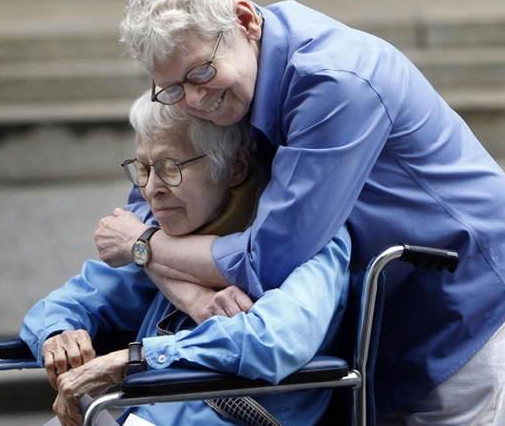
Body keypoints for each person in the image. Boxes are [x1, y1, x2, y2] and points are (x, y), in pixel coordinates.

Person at [94, 0, 505, 425]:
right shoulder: (222, 61)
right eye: (171, 88)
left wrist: (143, 249)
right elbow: (157, 219)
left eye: (199, 75)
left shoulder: (334, 81)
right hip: (383, 302)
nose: (193, 101)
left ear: (245, 19)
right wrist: (186, 288)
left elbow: (266, 259)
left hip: (465, 292)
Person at [21, 93, 351, 426]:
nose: (151, 189)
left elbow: (277, 338)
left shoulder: (310, 236)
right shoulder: (167, 236)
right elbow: (66, 304)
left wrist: (135, 359)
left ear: (234, 167)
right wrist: (59, 336)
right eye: (144, 169)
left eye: (169, 168)